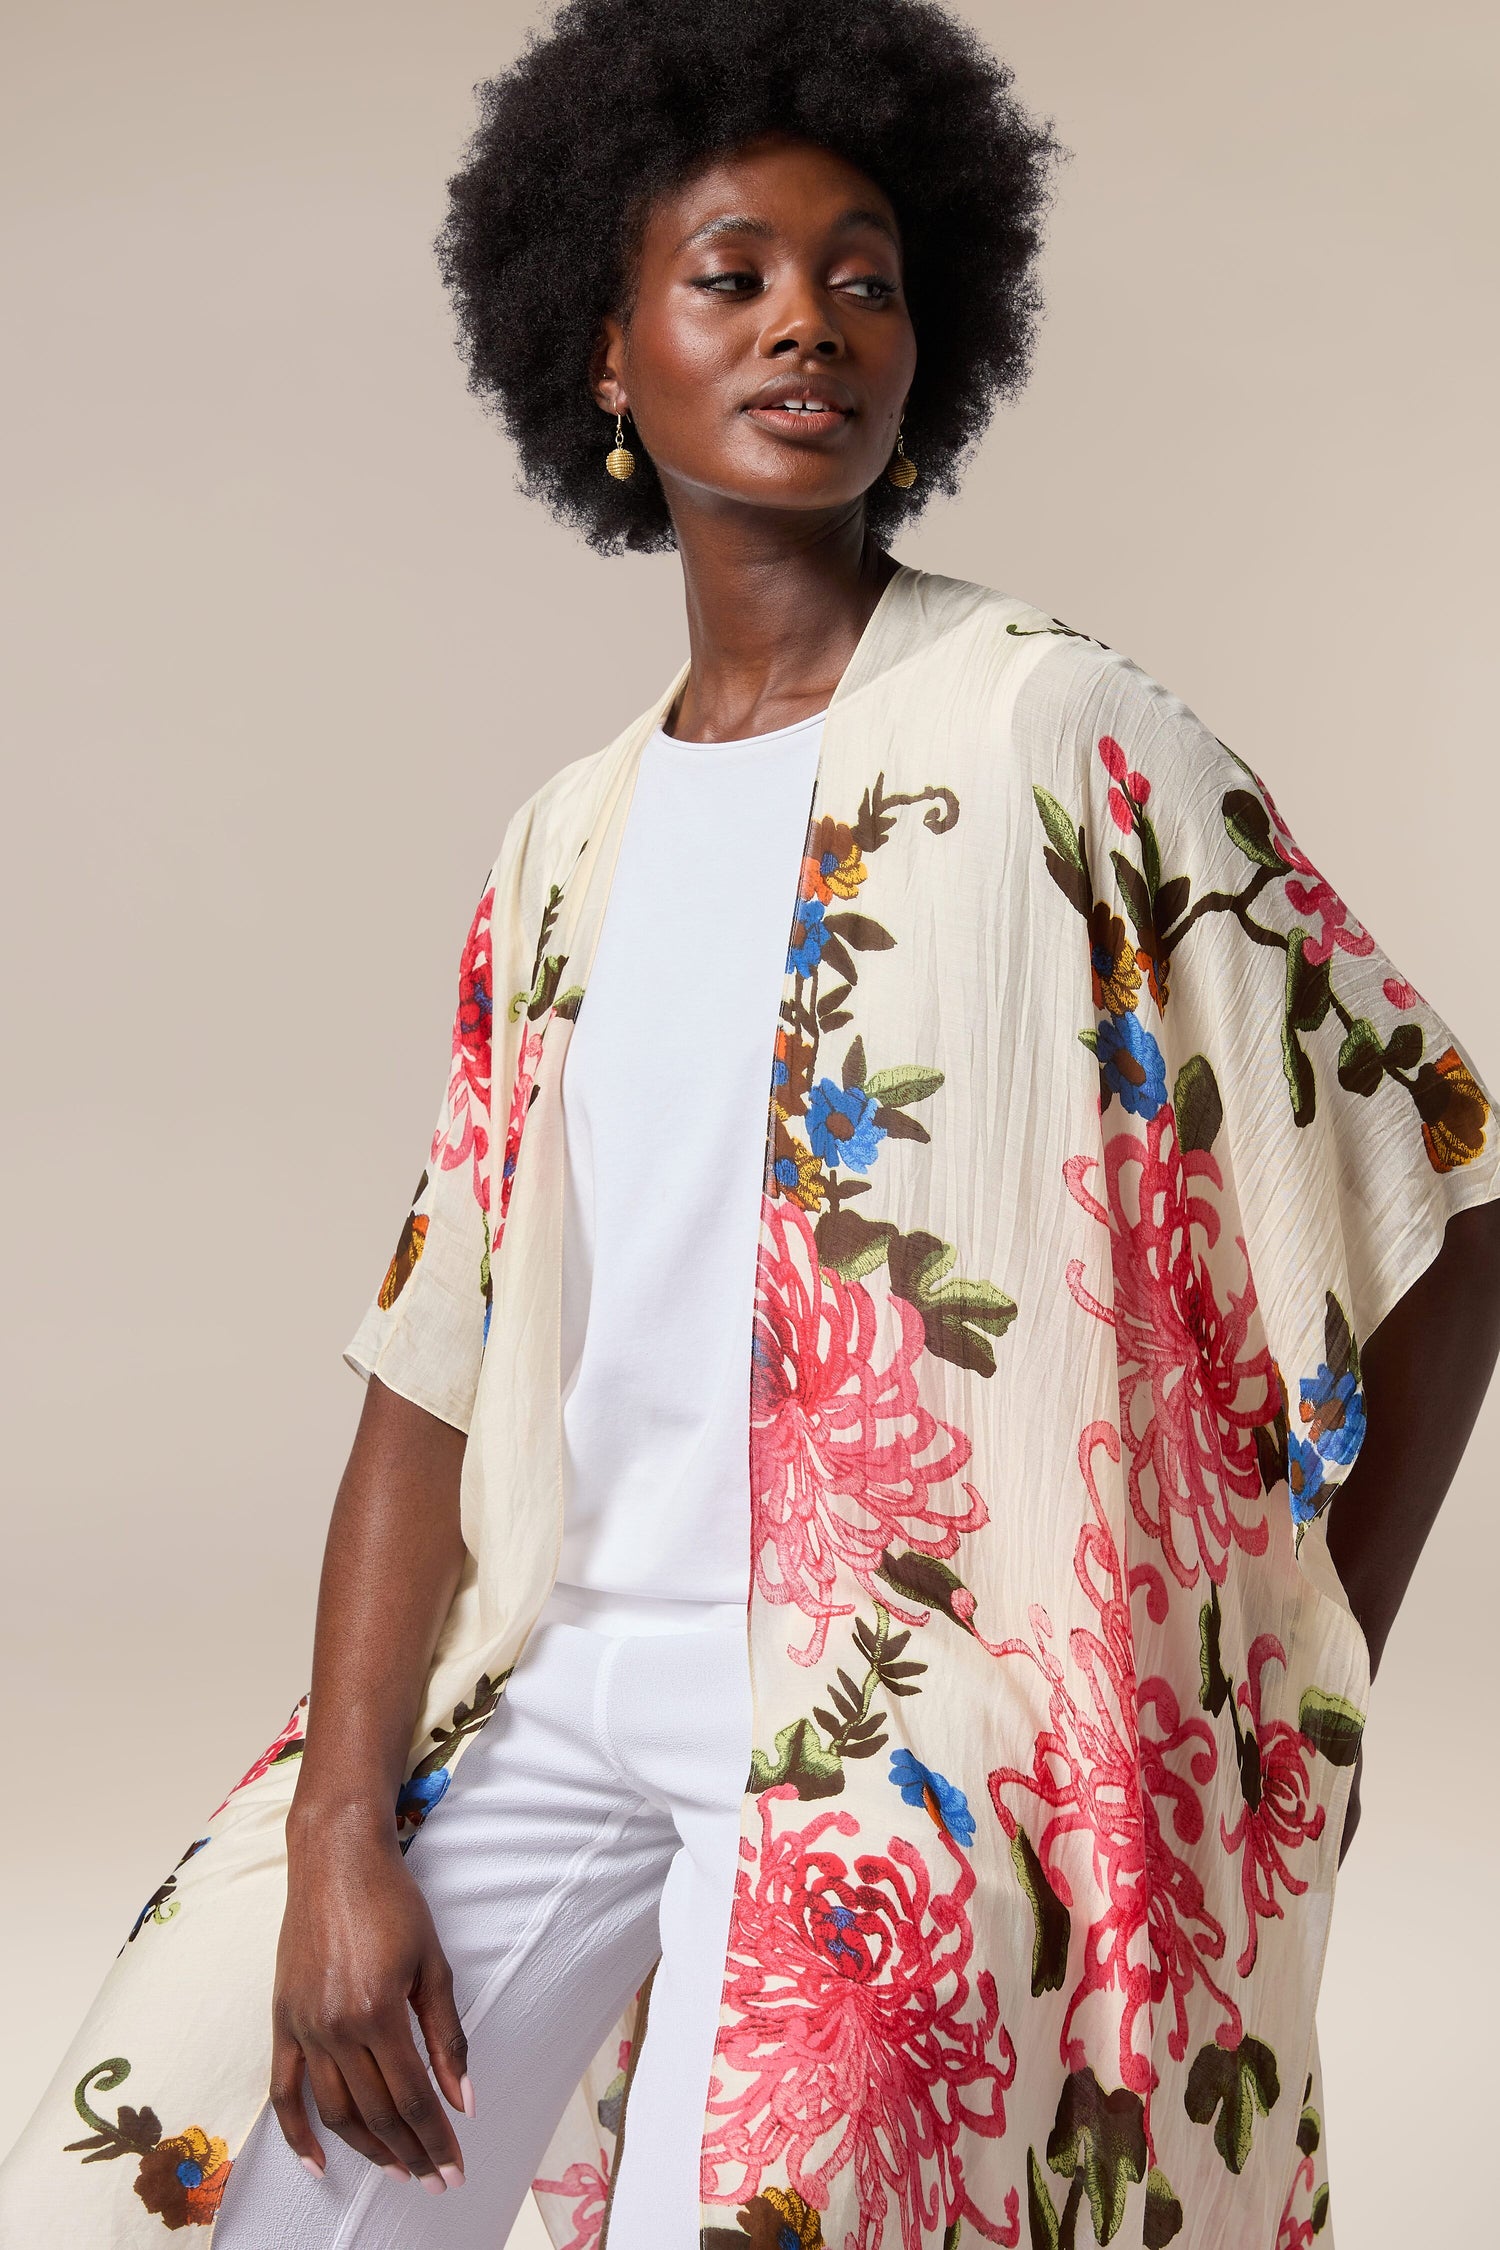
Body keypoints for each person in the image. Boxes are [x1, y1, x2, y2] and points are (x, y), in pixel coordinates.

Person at [6, 1, 1500, 2246]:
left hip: (916, 1720)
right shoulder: (563, 847)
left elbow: (1437, 1188)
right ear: (606, 354)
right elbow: (430, 1366)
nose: (810, 319)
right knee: (194, 2173)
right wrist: (338, 1832)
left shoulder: (1059, 733)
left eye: (866, 273)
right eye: (734, 275)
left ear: (930, 341)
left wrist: (1294, 1698)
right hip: (567, 1685)